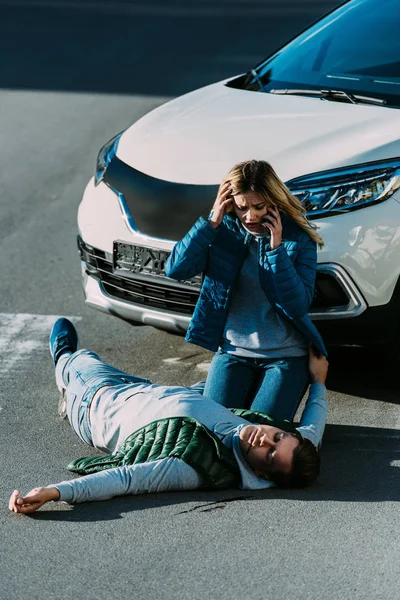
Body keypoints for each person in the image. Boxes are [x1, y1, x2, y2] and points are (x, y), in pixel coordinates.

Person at [9, 318, 328, 514]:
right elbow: (313, 426)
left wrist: (54, 492)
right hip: (153, 390)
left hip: (96, 402)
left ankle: (64, 362)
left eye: (269, 454)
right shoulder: (288, 441)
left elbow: (125, 480)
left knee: (78, 358)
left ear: (263, 477)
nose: (267, 438)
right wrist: (319, 382)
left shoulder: (192, 467)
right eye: (279, 437)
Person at [165, 160, 327, 422]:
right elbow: (175, 270)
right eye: (241, 208)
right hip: (233, 352)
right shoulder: (222, 231)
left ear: (274, 202)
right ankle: (202, 395)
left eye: (258, 207)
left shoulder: (298, 240)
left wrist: (276, 251)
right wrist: (211, 223)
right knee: (212, 428)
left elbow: (298, 306)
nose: (249, 216)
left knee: (257, 435)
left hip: (285, 356)